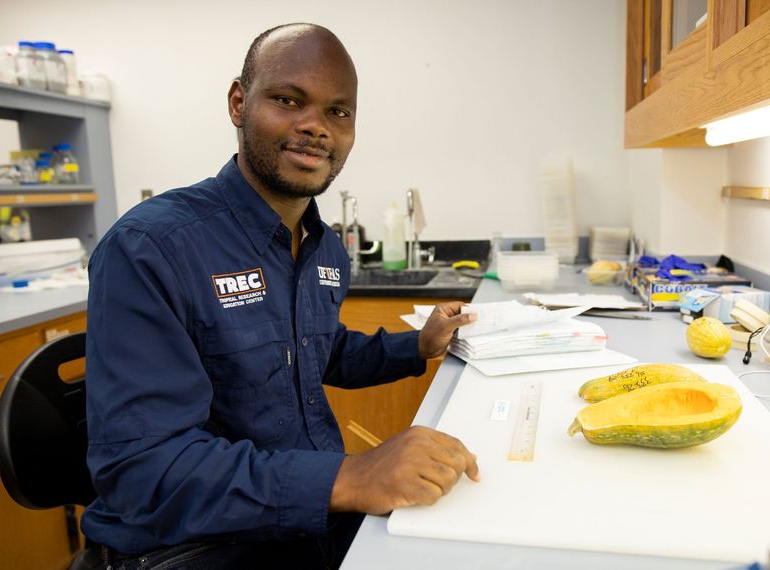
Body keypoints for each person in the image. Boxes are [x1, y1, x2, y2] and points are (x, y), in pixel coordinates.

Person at [79, 23, 479, 570]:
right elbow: (145, 470)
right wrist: (354, 474)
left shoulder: (324, 249)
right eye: (289, 100)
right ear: (239, 103)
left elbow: (318, 349)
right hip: (192, 545)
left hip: (304, 519)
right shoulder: (151, 249)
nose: (315, 126)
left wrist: (419, 346)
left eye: (338, 112)